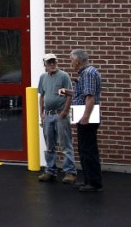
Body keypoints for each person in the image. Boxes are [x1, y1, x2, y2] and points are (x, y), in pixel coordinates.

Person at [59, 48, 102, 192]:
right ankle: (88, 180)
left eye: (71, 60)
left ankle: (94, 183)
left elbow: (90, 97)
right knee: (84, 149)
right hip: (84, 116)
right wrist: (66, 91)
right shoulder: (86, 73)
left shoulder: (88, 74)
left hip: (86, 118)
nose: (71, 63)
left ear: (77, 61)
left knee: (88, 150)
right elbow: (81, 94)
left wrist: (85, 117)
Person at [36, 53, 76, 183]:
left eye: (54, 62)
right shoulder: (43, 77)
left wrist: (65, 111)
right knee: (49, 145)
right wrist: (41, 113)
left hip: (60, 115)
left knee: (65, 144)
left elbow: (70, 95)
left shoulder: (64, 76)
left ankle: (70, 172)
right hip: (48, 115)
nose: (52, 64)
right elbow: (42, 96)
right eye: (49, 62)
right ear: (45, 65)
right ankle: (50, 171)